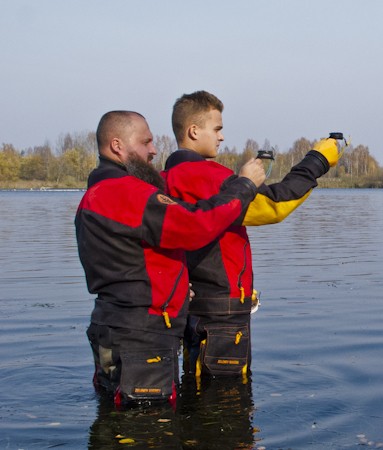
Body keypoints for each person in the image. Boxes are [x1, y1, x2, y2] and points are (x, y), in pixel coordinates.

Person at [75, 110, 266, 407]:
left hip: (112, 326)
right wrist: (244, 185)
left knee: (114, 416)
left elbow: (131, 265)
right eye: (146, 142)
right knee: (148, 428)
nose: (154, 150)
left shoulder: (94, 195)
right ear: (117, 146)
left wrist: (177, 288)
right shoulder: (127, 192)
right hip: (141, 337)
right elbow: (195, 225)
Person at [162, 90, 339, 379]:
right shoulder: (203, 176)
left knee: (198, 389)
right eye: (217, 129)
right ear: (193, 131)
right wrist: (318, 160)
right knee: (228, 404)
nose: (221, 137)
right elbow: (273, 205)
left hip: (193, 305)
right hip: (221, 312)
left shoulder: (165, 178)